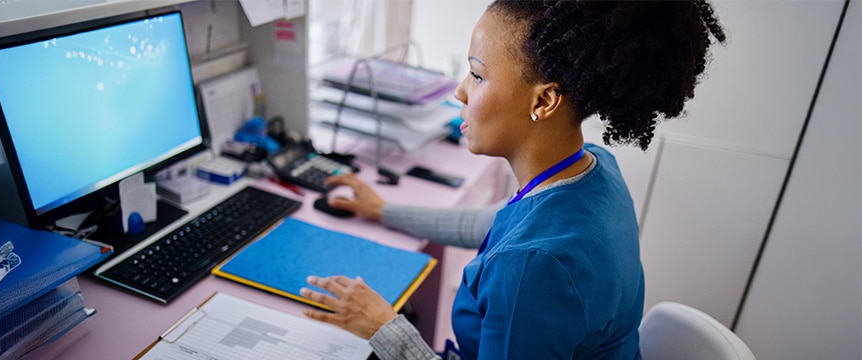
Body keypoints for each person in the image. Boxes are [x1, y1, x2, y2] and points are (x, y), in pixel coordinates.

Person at [299, 0, 726, 359]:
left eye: (478, 75)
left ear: (544, 100)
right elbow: (492, 224)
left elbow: (523, 250)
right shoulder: (593, 169)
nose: (460, 92)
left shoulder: (533, 267)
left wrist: (383, 327)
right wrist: (381, 209)